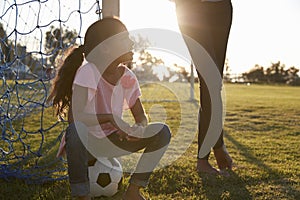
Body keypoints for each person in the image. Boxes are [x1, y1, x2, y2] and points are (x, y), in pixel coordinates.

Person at [47, 17, 171, 200]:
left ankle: (133, 191)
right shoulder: (88, 71)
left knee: (162, 132)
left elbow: (141, 115)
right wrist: (111, 118)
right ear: (106, 47)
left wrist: (139, 127)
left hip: (113, 141)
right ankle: (81, 195)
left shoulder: (127, 77)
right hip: (87, 143)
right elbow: (76, 118)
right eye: (125, 39)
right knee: (75, 130)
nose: (131, 42)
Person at [173, 0, 233, 174]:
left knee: (215, 83)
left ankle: (209, 153)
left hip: (221, 7)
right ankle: (208, 154)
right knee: (211, 81)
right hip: (190, 7)